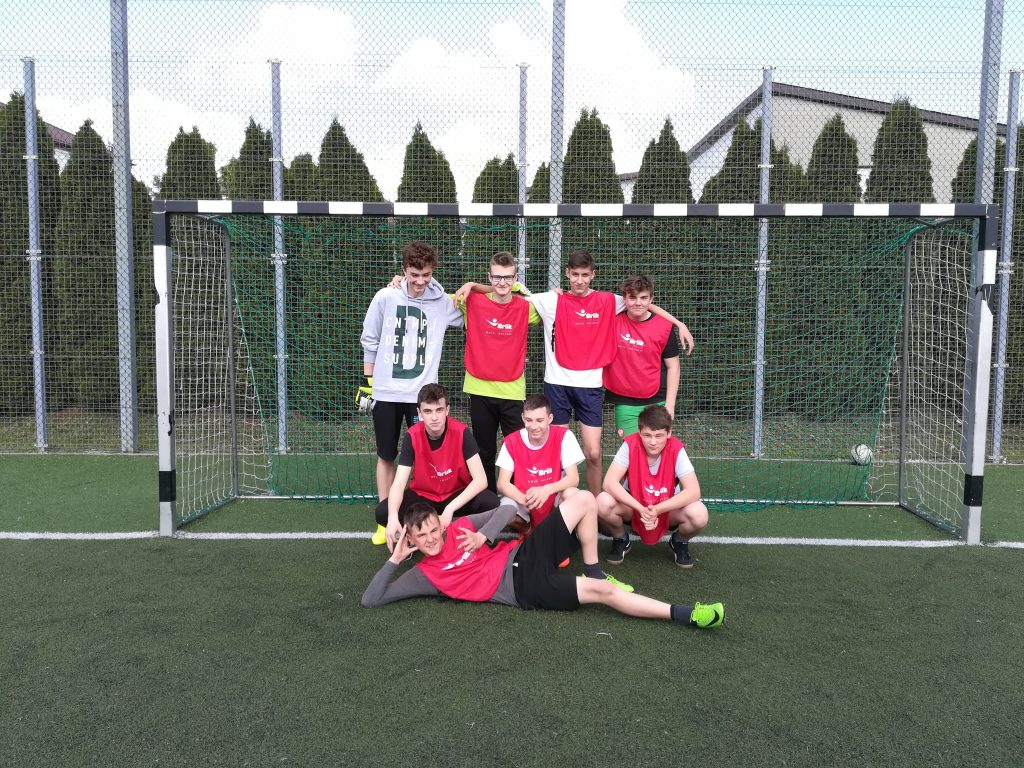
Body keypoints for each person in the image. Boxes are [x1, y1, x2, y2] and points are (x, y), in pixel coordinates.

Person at [456, 250, 694, 495]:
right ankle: (558, 505)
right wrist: (474, 285)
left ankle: (595, 504)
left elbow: (641, 302)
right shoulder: (551, 300)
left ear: (593, 275)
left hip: (590, 386)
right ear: (567, 273)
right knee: (556, 454)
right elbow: (505, 291)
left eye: (585, 275)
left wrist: (678, 324)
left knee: (593, 452)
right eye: (575, 274)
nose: (580, 280)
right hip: (557, 385)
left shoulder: (608, 301)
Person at [361, 495, 725, 630]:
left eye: (433, 530)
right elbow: (371, 599)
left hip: (524, 554)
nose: (431, 539)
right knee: (602, 594)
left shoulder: (457, 528)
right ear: (411, 540)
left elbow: (508, 509)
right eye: (421, 537)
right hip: (523, 587)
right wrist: (394, 560)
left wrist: (483, 536)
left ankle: (595, 569)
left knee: (585, 500)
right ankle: (687, 614)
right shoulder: (424, 575)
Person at [361, 241, 464, 544]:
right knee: (386, 455)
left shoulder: (442, 303)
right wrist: (368, 383)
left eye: (426, 275)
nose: (420, 281)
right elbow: (370, 338)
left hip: (421, 398)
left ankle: (420, 517)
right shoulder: (385, 296)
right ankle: (385, 519)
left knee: (423, 458)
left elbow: (478, 310)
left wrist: (479, 287)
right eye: (414, 274)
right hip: (386, 392)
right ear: (404, 269)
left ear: (433, 272)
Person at [376, 383, 500, 550]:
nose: (434, 417)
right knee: (383, 512)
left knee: (492, 503)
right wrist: (392, 517)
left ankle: (468, 534)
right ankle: (413, 537)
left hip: (455, 493)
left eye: (439, 410)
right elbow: (398, 484)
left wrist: (450, 508)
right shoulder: (412, 435)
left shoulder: (461, 432)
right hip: (424, 496)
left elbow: (481, 480)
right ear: (419, 413)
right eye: (428, 411)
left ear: (447, 410)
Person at [459, 252, 541, 493]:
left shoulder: (526, 308)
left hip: (512, 390)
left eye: (507, 278)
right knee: (484, 450)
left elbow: (553, 303)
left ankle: (515, 501)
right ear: (489, 277)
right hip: (479, 388)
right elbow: (429, 294)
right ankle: (487, 498)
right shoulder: (471, 301)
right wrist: (399, 281)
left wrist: (476, 284)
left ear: (515, 278)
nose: (502, 282)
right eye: (496, 277)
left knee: (515, 450)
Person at [597, 404, 708, 568]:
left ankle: (679, 541)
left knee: (699, 513)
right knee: (602, 501)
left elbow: (694, 491)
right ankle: (620, 538)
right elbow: (609, 483)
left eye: (659, 435)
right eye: (647, 435)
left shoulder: (676, 449)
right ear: (639, 432)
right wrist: (641, 509)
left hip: (666, 509)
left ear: (669, 433)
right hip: (635, 508)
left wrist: (657, 510)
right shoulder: (630, 445)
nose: (653, 442)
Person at [603, 275, 681, 438]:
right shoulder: (610, 321)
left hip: (657, 400)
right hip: (624, 401)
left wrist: (670, 405)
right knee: (632, 449)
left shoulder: (664, 327)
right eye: (632, 297)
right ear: (624, 299)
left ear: (651, 299)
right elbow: (585, 299)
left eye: (644, 298)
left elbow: (673, 367)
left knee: (655, 447)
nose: (638, 303)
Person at [495, 393, 585, 533]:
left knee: (573, 495)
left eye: (539, 420)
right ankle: (528, 531)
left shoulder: (564, 436)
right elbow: (502, 483)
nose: (534, 426)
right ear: (523, 418)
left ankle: (562, 536)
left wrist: (546, 490)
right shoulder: (512, 441)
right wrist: (524, 499)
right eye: (529, 420)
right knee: (506, 509)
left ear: (550, 418)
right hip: (526, 499)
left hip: (555, 497)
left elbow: (573, 479)